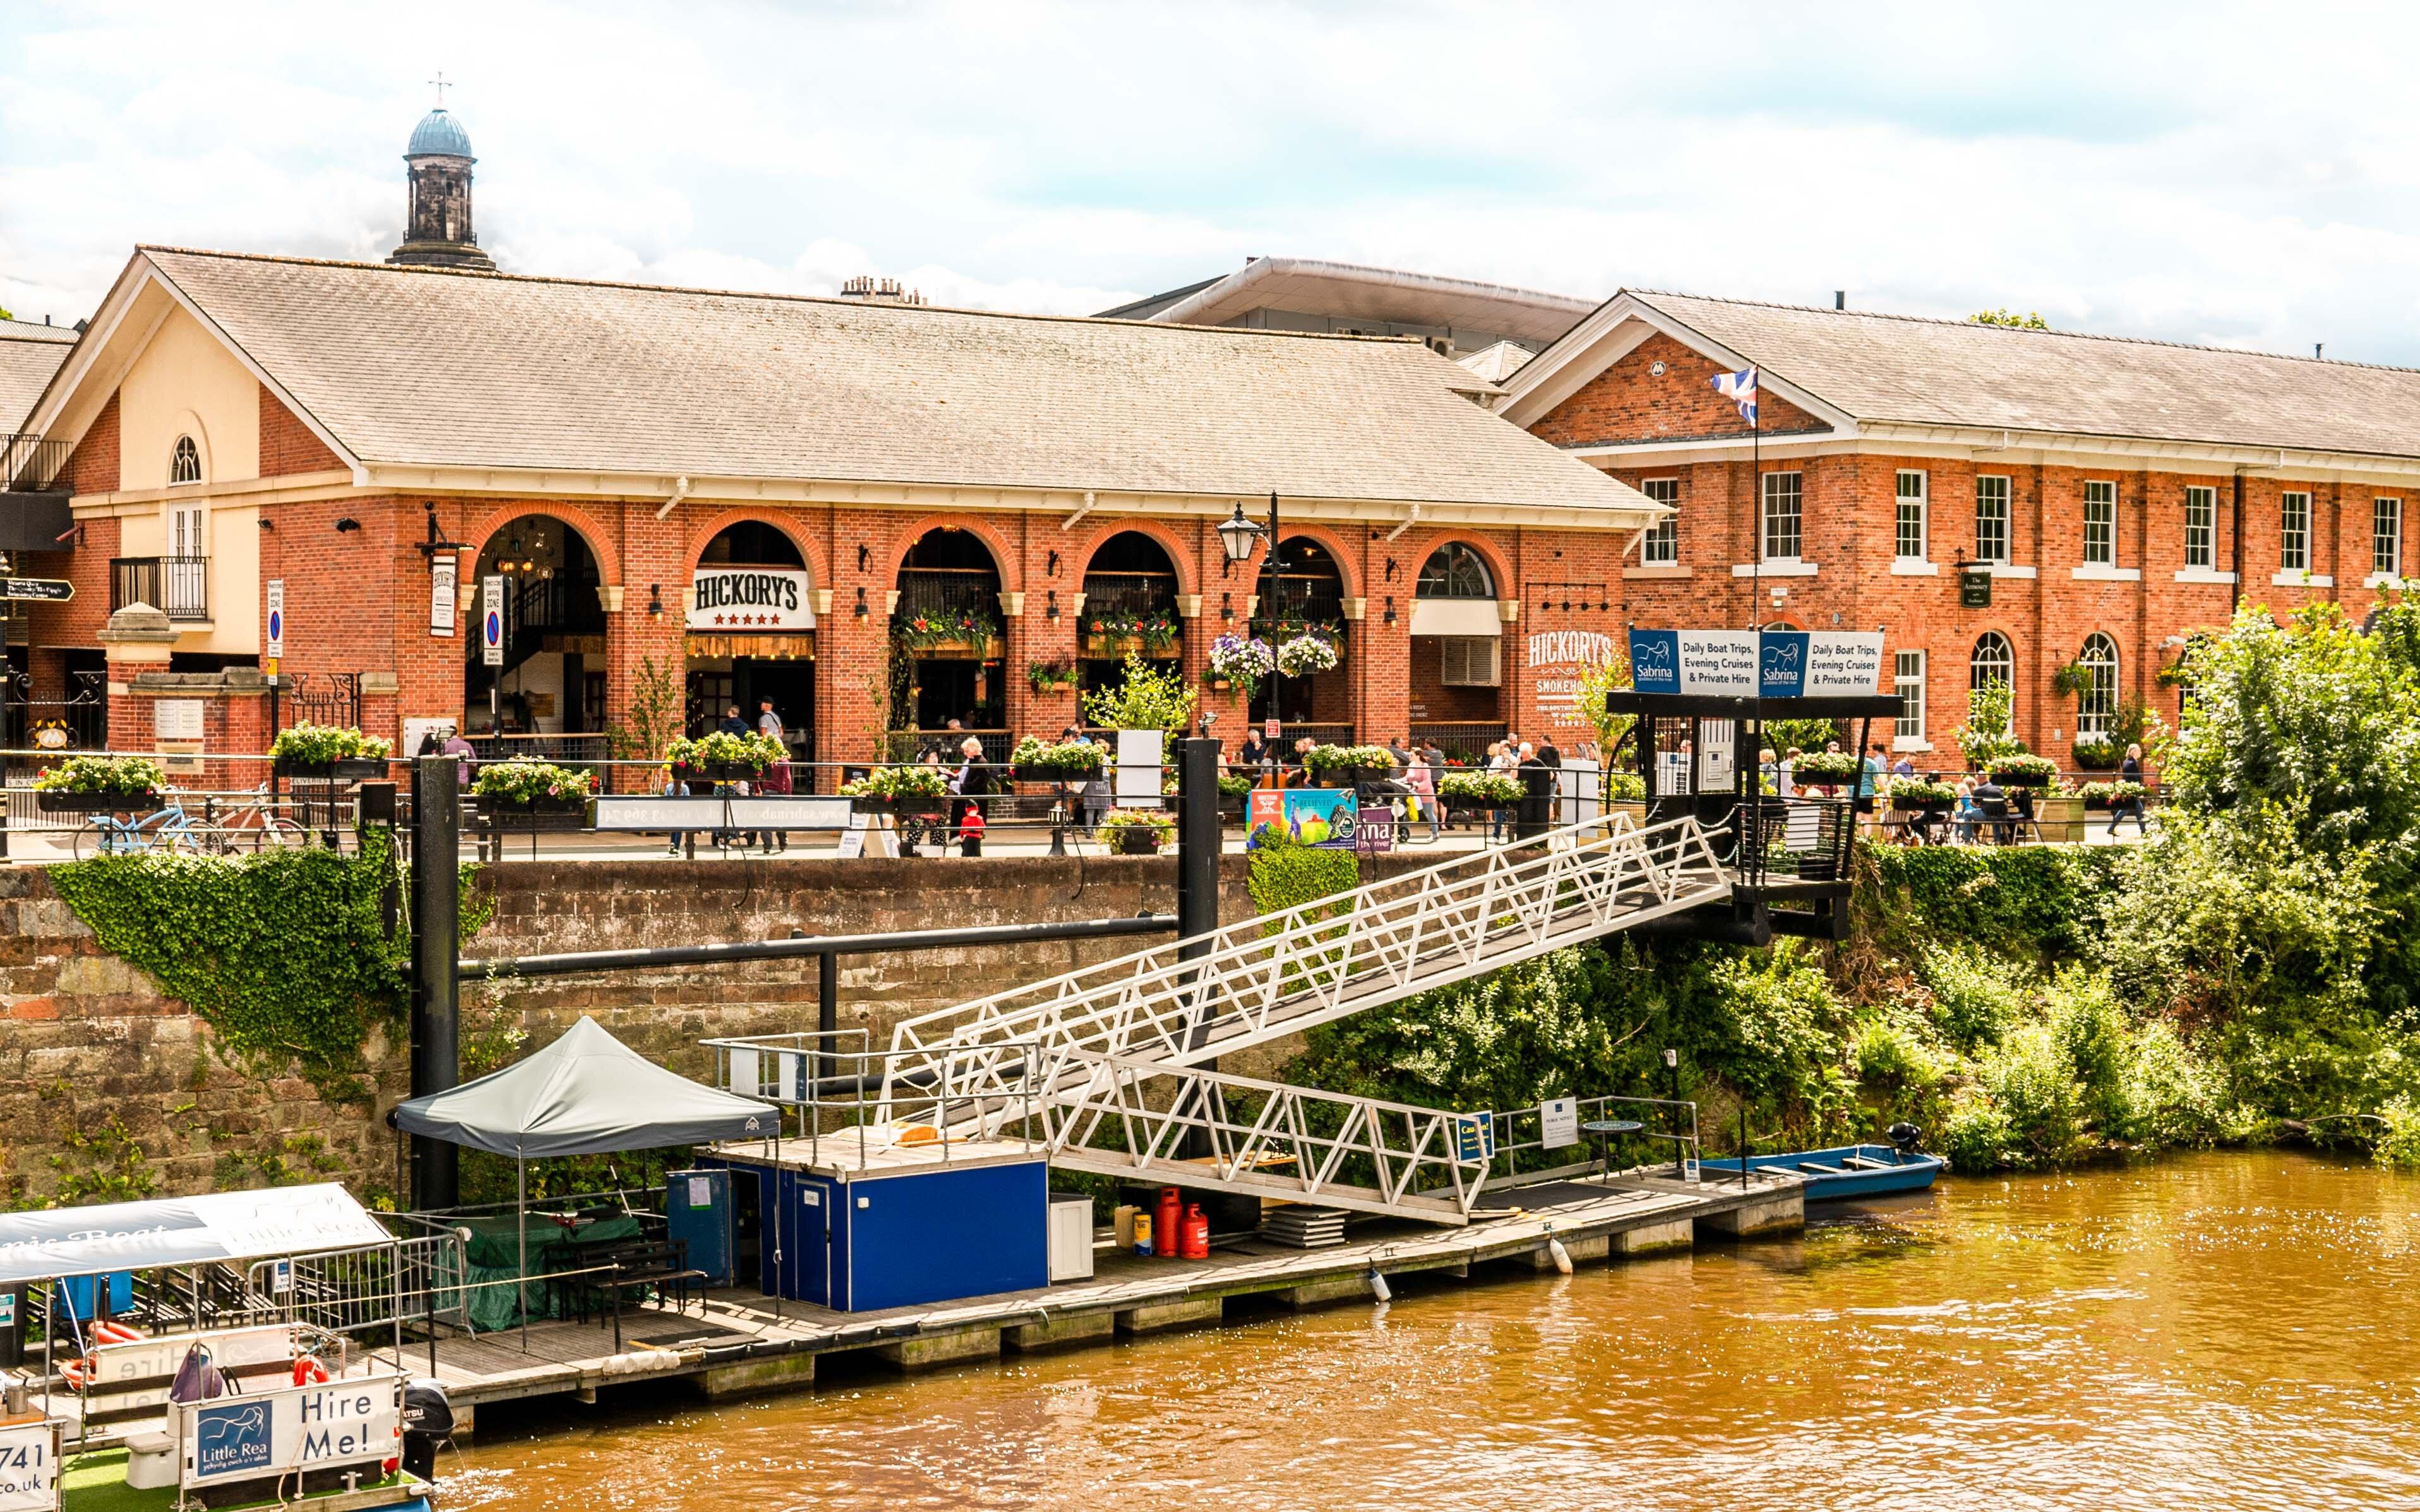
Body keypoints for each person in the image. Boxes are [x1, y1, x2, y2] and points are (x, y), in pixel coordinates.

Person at [1516, 741, 1553, 841]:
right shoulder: (1521, 764)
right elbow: (1514, 776)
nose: (1523, 755)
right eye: (1521, 753)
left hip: (1536, 794)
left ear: (1530, 752)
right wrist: (1517, 762)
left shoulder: (1537, 762)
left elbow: (1550, 775)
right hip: (1524, 795)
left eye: (1524, 753)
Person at [2113, 742, 2149, 838]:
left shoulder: (2126, 762)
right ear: (2134, 752)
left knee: (2128, 811)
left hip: (2129, 790)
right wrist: (2139, 791)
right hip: (2132, 791)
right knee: (2138, 812)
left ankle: (2111, 828)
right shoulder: (2132, 764)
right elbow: (2135, 778)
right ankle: (2144, 832)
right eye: (2139, 751)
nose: (2140, 753)